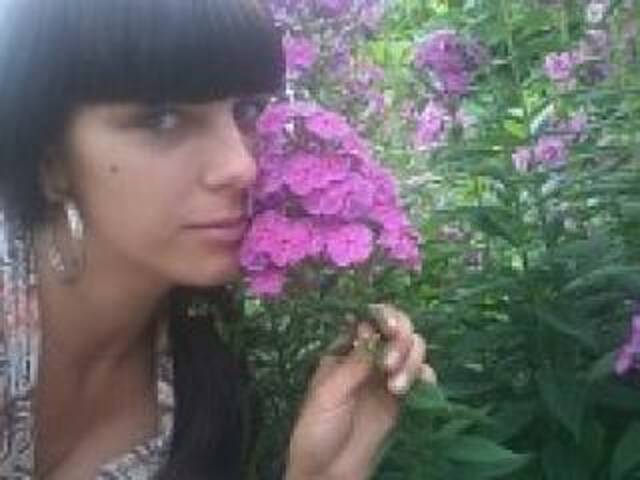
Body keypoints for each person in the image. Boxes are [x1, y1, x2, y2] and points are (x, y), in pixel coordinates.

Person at [0, 0, 436, 478]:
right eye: (163, 119)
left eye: (248, 110)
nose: (242, 167)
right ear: (50, 161)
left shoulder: (210, 369)